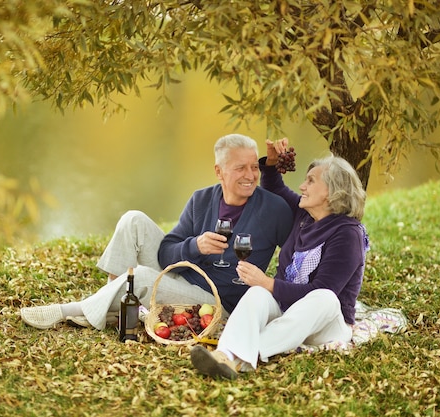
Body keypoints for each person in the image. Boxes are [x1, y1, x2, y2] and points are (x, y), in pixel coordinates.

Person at [20, 134, 293, 331]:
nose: (250, 175)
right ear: (219, 171)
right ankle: (110, 304)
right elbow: (166, 252)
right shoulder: (201, 199)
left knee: (141, 277)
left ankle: (70, 310)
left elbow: (296, 252)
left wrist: (276, 291)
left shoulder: (274, 210)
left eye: (254, 167)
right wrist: (195, 246)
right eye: (240, 168)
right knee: (133, 220)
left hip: (218, 300)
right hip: (184, 273)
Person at [190, 138, 370, 380]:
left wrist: (268, 283)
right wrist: (272, 162)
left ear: (331, 191)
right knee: (256, 293)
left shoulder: (348, 233)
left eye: (311, 181)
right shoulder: (304, 216)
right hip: (288, 313)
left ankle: (245, 354)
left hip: (324, 325)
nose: (303, 187)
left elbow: (321, 290)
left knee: (325, 298)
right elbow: (275, 187)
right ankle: (226, 356)